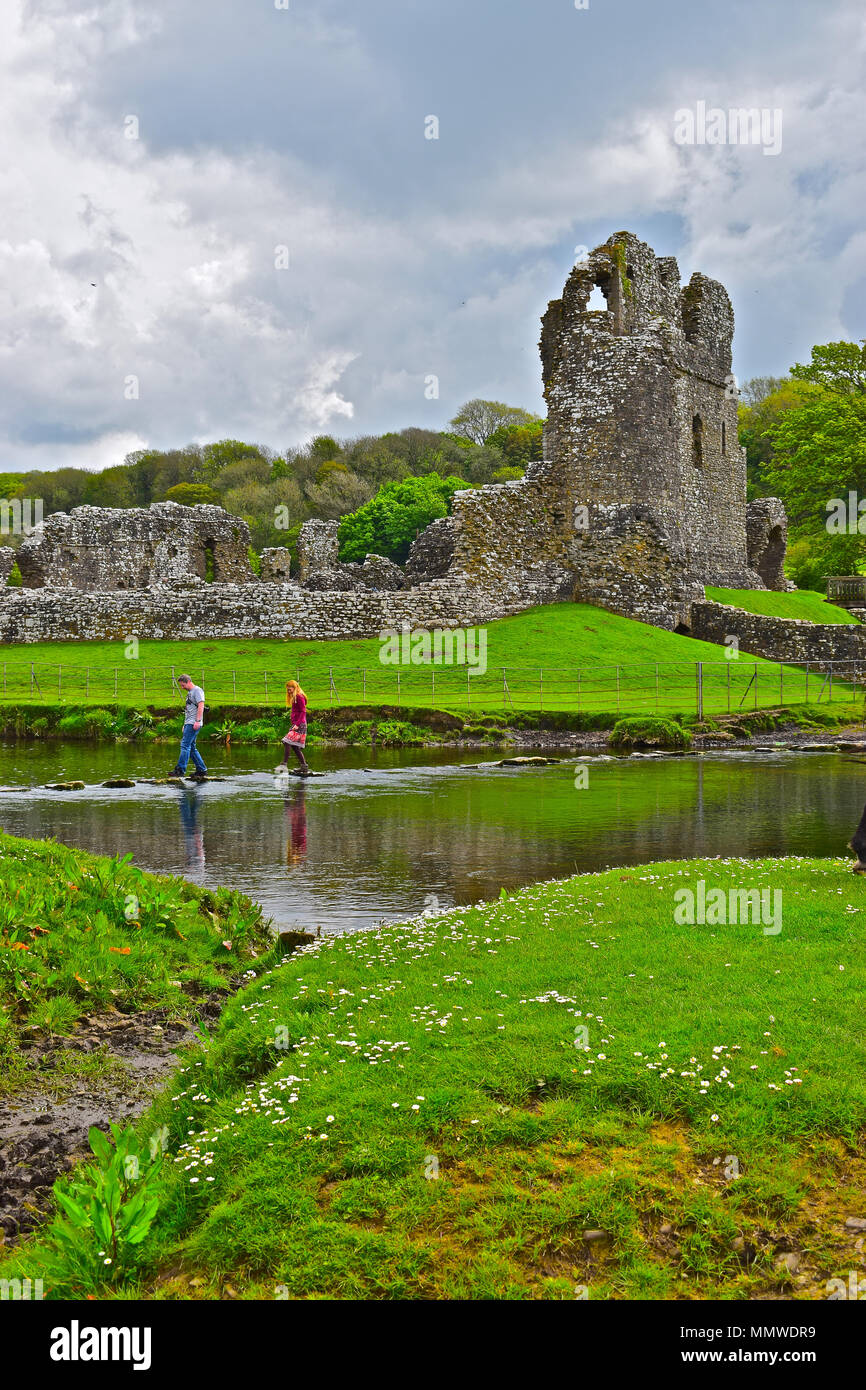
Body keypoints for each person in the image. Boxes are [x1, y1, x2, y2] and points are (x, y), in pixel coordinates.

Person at [171, 674, 208, 780]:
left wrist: (197, 721)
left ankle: (180, 770)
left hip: (193, 723)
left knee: (184, 746)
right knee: (191, 747)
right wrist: (185, 724)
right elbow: (189, 710)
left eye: (183, 685)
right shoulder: (190, 693)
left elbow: (201, 705)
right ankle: (201, 770)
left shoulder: (197, 691)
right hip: (189, 723)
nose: (182, 688)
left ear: (188, 682)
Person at [276, 679, 310, 776]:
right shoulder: (295, 697)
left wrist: (297, 724)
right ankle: (304, 766)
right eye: (287, 690)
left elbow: (303, 712)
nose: (288, 692)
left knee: (286, 741)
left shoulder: (299, 697)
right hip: (297, 724)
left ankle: (284, 764)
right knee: (295, 747)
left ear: (295, 688)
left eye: (289, 690)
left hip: (300, 725)